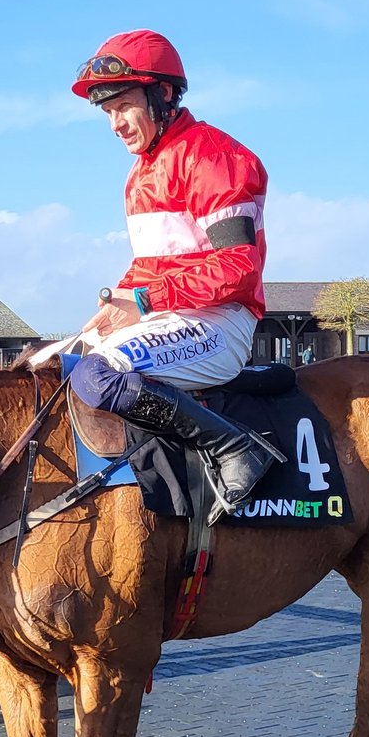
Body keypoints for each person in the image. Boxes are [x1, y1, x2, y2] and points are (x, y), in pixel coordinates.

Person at [65, 29, 283, 522]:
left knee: (99, 375)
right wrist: (114, 306)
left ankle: (234, 448)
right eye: (107, 113)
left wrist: (142, 303)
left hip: (219, 322)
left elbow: (237, 267)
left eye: (123, 107)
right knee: (60, 364)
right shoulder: (141, 173)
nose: (115, 125)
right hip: (169, 319)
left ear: (162, 94)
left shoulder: (215, 158)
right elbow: (149, 266)